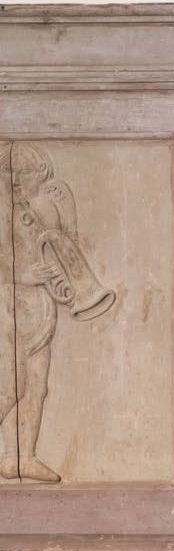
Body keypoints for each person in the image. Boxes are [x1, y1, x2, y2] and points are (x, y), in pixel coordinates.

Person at [1, 142, 115, 483]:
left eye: (32, 176)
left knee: (37, 386)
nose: (25, 184)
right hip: (7, 307)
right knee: (9, 387)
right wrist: (22, 274)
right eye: (18, 176)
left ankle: (19, 458)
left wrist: (66, 218)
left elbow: (60, 249)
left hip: (39, 307)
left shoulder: (37, 209)